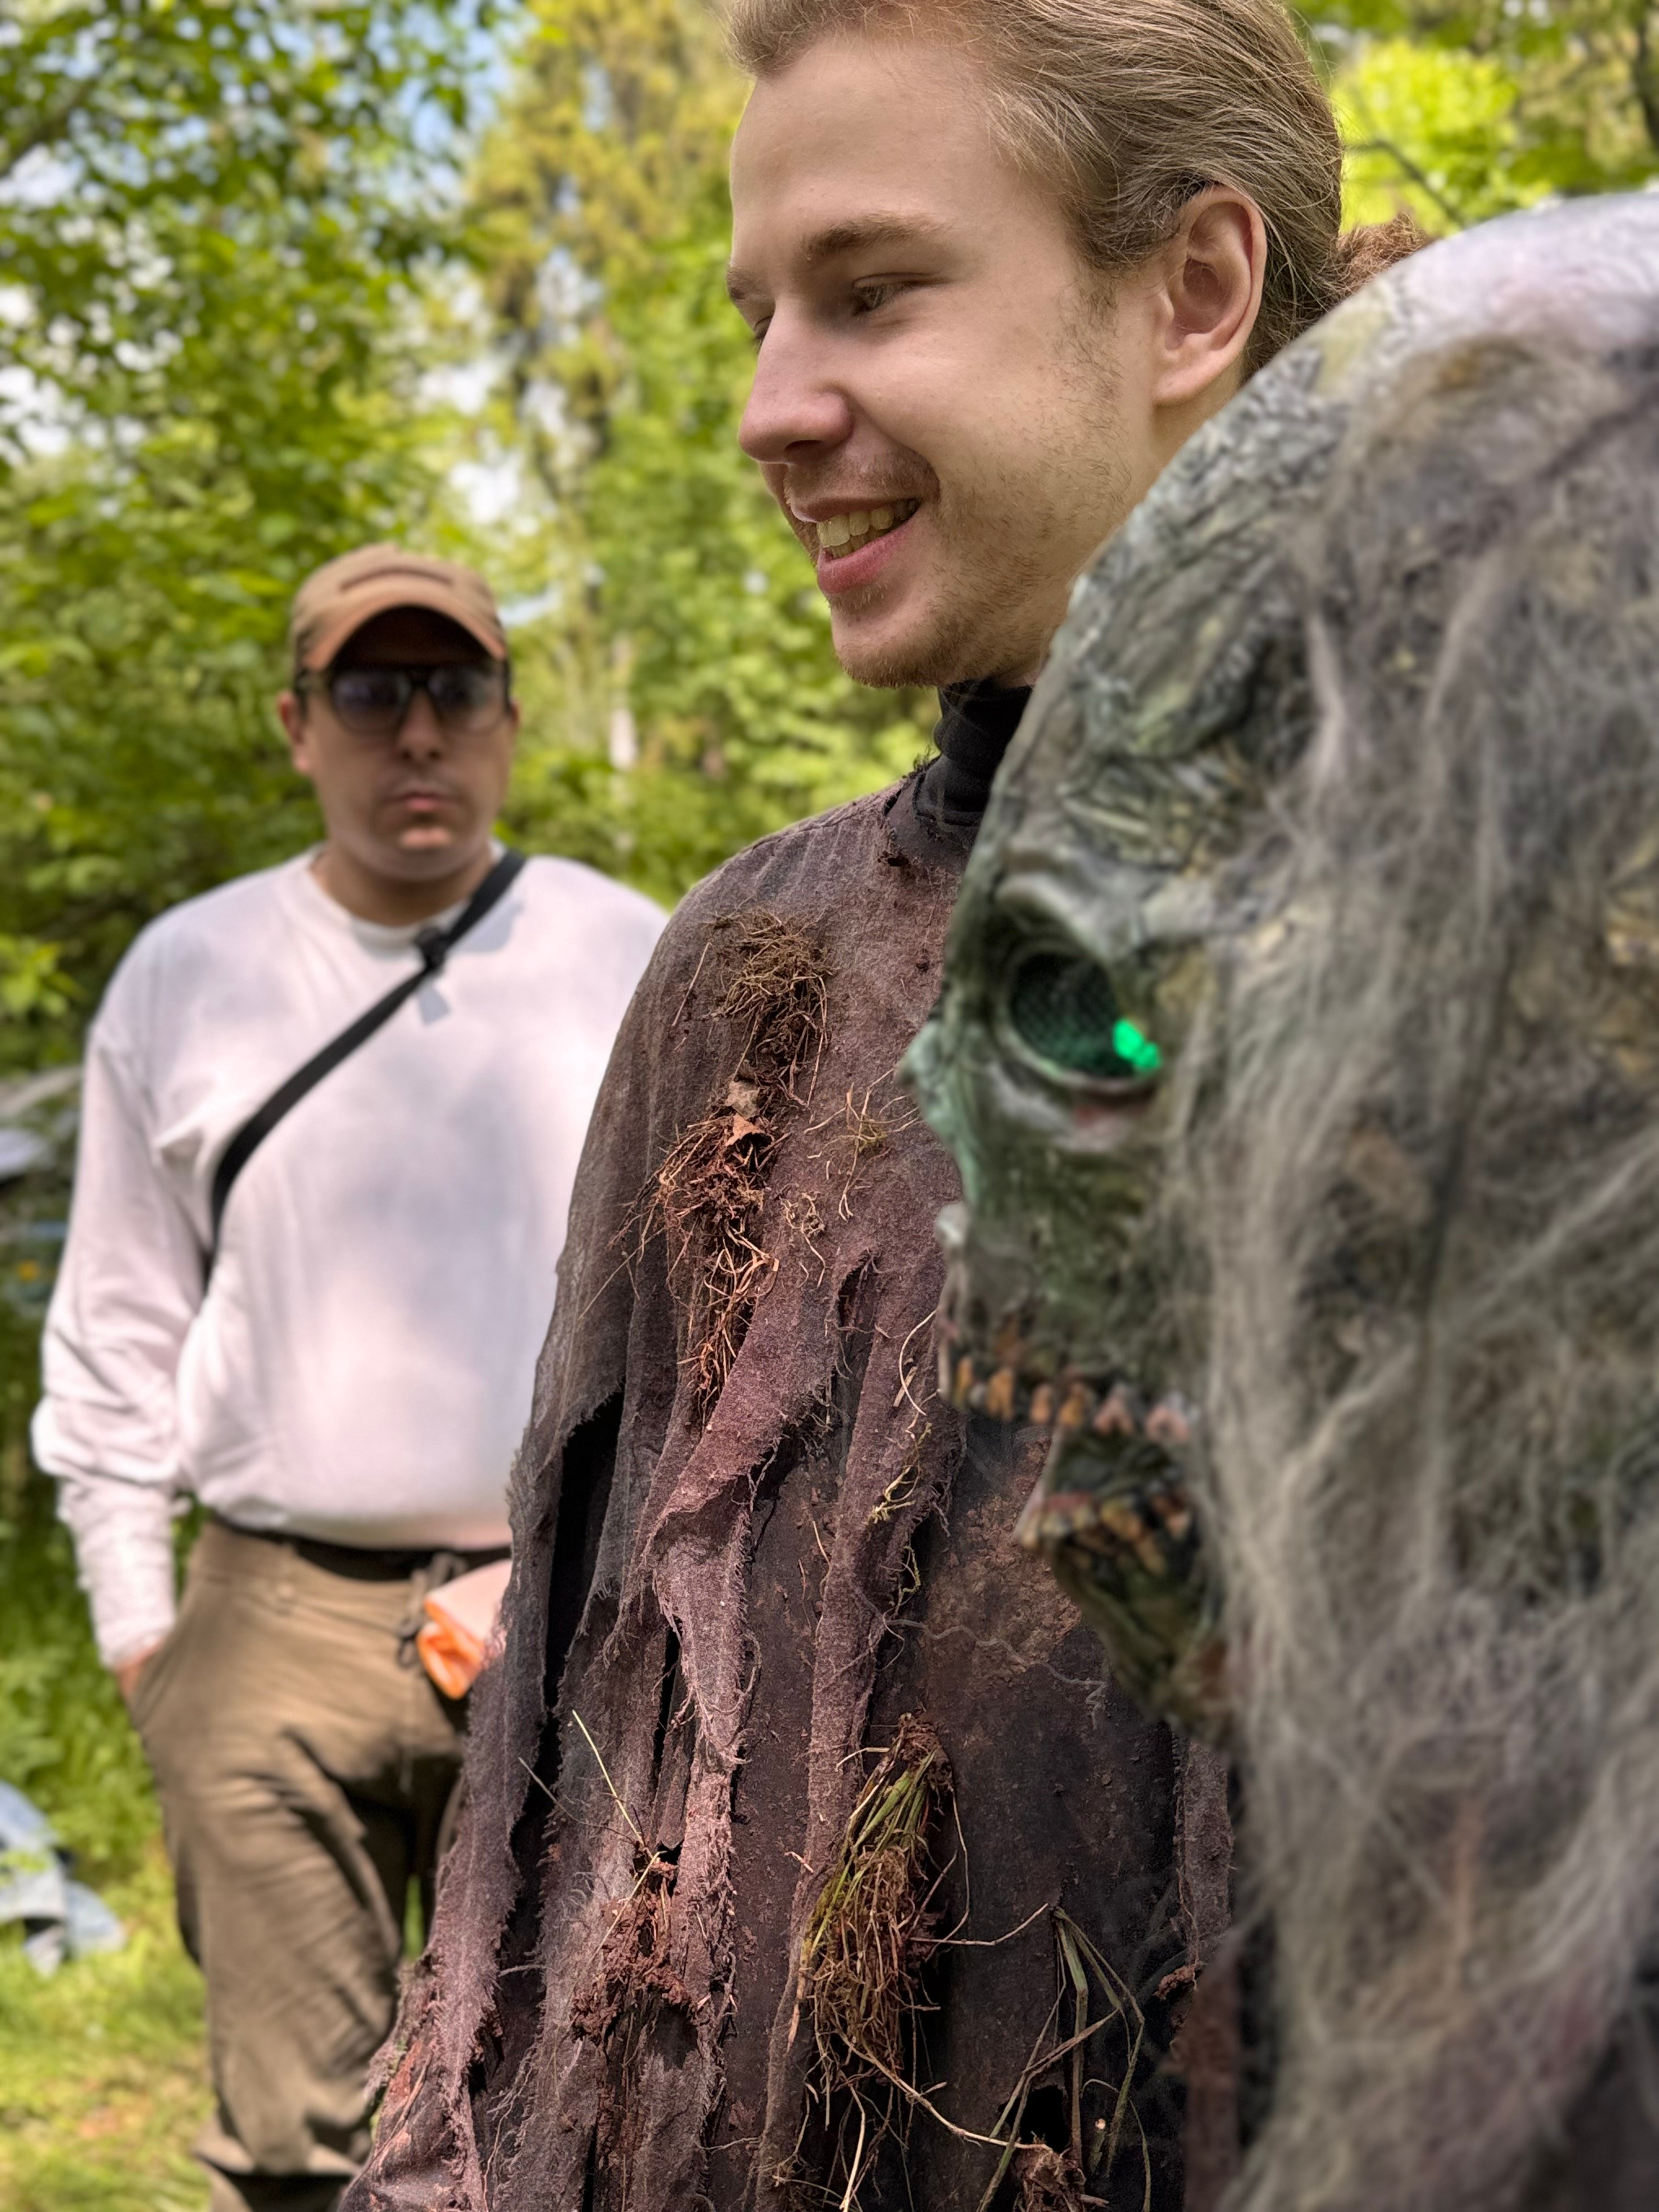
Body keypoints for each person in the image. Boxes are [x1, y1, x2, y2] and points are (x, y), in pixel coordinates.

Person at [347, 10, 1423, 2210]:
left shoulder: (1517, 939)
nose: (767, 410)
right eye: (760, 313)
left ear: (1195, 294)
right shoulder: (757, 967)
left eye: (873, 289)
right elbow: (564, 1775)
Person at [32, 544, 664, 2212]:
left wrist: (616, 1570)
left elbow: (712, 1325)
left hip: (572, 1618)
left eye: (453, 691)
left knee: (577, 2110)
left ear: (511, 721)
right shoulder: (188, 974)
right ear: (297, 724)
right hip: (267, 1631)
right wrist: (139, 1632)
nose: (417, 736)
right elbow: (117, 1320)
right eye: (371, 694)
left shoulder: (634, 955)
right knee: (299, 2146)